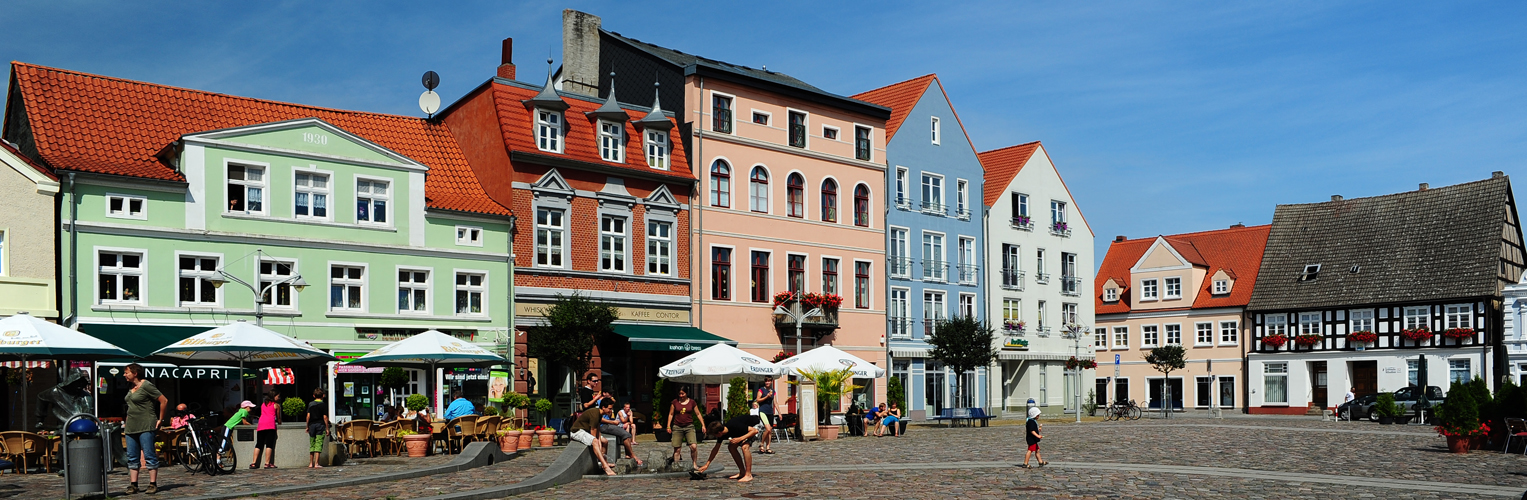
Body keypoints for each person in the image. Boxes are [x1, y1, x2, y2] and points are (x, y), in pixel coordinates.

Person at [122, 363, 167, 494]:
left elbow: (164, 400)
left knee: (149, 454)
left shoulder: (146, 385)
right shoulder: (131, 387)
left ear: (135, 373)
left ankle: (153, 484)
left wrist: (160, 419)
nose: (124, 375)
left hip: (146, 424)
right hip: (131, 426)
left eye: (127, 372)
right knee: (132, 456)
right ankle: (133, 484)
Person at [696, 414, 762, 483]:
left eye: (714, 435)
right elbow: (715, 449)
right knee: (731, 447)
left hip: (757, 425)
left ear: (719, 433)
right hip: (746, 431)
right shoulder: (722, 434)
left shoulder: (734, 425)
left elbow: (754, 431)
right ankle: (742, 472)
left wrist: (739, 439)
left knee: (744, 447)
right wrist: (707, 464)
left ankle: (748, 475)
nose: (715, 437)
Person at [569, 399, 617, 476]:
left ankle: (605, 462)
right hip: (577, 431)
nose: (611, 411)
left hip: (585, 431)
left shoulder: (599, 413)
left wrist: (600, 442)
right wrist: (598, 445)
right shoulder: (595, 414)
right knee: (595, 441)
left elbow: (598, 430)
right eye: (610, 408)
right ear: (603, 407)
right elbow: (593, 435)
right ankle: (605, 467)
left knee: (605, 441)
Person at [666, 386, 705, 466]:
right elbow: (671, 414)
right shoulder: (675, 402)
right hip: (677, 426)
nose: (681, 395)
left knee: (693, 446)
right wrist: (668, 426)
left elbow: (698, 414)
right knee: (677, 449)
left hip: (689, 426)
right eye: (680, 394)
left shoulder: (692, 402)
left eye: (683, 393)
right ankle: (676, 466)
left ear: (686, 393)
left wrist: (703, 425)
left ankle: (694, 464)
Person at [251, 390, 282, 469]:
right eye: (277, 396)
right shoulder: (276, 405)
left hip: (261, 425)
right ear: (273, 396)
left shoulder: (263, 404)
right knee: (269, 444)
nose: (278, 398)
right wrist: (279, 422)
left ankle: (254, 463)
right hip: (270, 425)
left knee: (259, 444)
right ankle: (267, 463)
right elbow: (278, 417)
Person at [306, 388, 329, 468]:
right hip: (320, 425)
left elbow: (308, 416)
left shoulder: (310, 404)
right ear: (323, 396)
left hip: (312, 425)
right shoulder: (323, 405)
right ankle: (316, 463)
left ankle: (310, 463)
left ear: (313, 396)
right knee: (318, 443)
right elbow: (325, 417)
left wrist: (307, 426)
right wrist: (327, 428)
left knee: (312, 443)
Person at [754, 379, 776, 454]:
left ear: (771, 382)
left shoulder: (773, 391)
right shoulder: (761, 390)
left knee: (769, 431)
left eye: (769, 381)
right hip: (763, 411)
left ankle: (768, 447)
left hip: (770, 412)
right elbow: (758, 400)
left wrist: (779, 413)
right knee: (768, 428)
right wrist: (766, 397)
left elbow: (775, 402)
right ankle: (761, 444)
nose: (767, 382)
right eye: (766, 381)